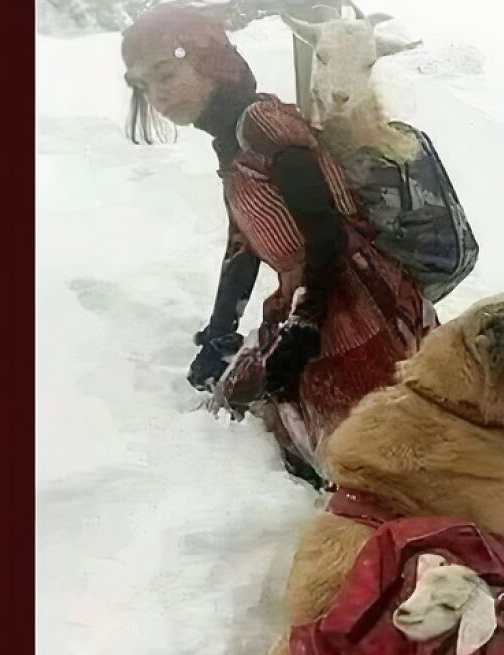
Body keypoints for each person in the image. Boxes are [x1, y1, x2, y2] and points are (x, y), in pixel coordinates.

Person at [121, 3, 436, 486]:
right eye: (144, 86)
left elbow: (327, 234)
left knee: (362, 461)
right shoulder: (232, 141)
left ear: (209, 60)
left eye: (165, 74)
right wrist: (220, 333)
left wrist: (304, 328)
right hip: (311, 298)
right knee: (252, 418)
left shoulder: (262, 124)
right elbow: (241, 247)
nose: (158, 95)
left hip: (352, 301)